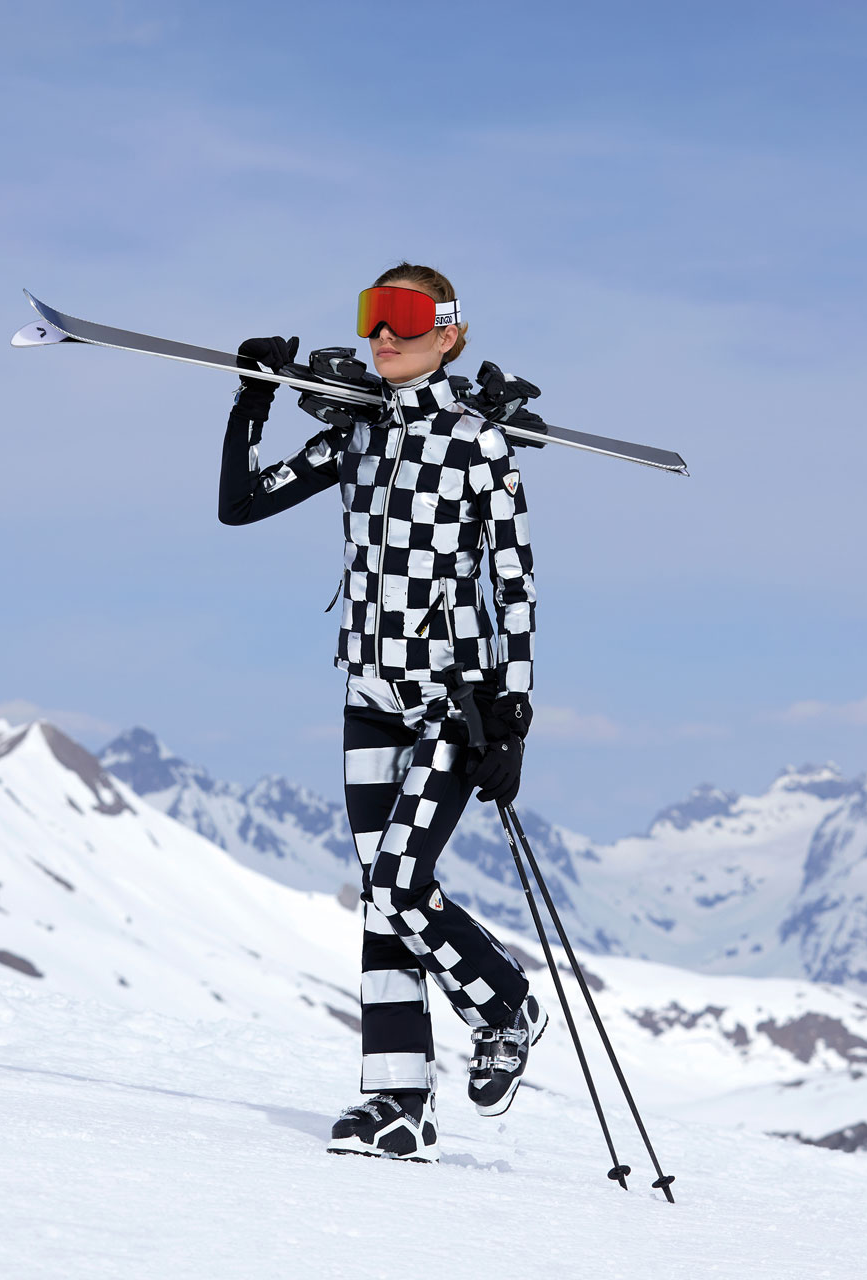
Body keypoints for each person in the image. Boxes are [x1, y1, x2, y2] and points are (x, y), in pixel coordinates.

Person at [217, 263, 545, 1161]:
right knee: (383, 902)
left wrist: (513, 712)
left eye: (402, 317)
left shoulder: (481, 444)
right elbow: (241, 506)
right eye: (371, 317)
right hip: (368, 696)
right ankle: (400, 1104)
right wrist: (254, 402)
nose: (382, 336)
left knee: (401, 885)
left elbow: (513, 584)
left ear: (450, 333)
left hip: (453, 698)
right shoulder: (356, 436)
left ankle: (504, 1005)